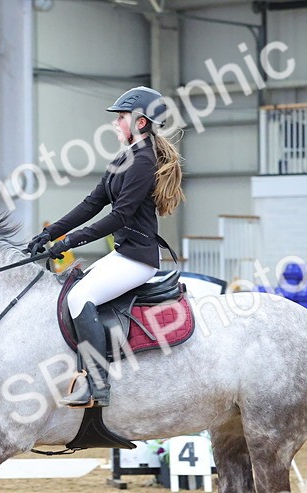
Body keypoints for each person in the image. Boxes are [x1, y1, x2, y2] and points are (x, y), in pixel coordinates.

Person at [27, 86, 185, 408]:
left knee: (80, 296)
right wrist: (49, 234)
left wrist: (70, 242)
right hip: (123, 254)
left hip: (137, 259)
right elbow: (91, 204)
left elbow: (120, 215)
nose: (116, 123)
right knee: (68, 291)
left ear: (140, 122)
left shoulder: (143, 161)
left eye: (121, 117)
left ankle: (98, 385)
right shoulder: (124, 158)